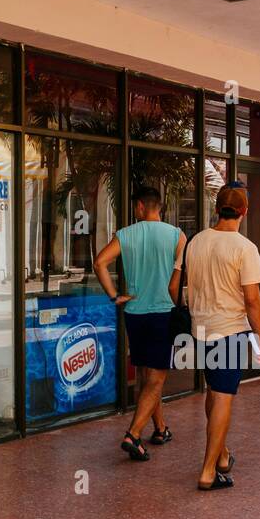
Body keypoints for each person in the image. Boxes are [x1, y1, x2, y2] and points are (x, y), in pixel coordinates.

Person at [94, 187, 186, 462]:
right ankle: (133, 435)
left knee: (148, 374)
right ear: (159, 207)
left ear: (141, 206)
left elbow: (99, 262)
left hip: (134, 312)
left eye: (135, 207)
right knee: (156, 378)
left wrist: (114, 295)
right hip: (162, 311)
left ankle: (160, 429)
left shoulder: (126, 234)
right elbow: (179, 280)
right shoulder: (176, 236)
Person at [185, 186, 260, 490]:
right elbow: (253, 300)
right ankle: (208, 471)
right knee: (223, 397)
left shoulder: (195, 242)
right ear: (243, 213)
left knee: (213, 391)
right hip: (229, 331)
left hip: (200, 330)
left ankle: (221, 455)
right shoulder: (244, 248)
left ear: (217, 208)